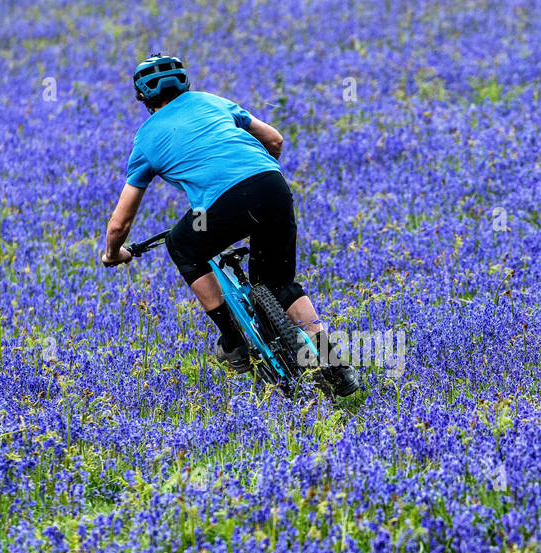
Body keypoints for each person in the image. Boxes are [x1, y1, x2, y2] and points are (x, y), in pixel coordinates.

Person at [102, 54, 359, 397]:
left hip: (220, 205)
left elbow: (121, 222)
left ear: (142, 97)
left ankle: (234, 342)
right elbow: (275, 140)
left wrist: (113, 253)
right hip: (271, 185)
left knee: (182, 245)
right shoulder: (213, 102)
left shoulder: (145, 139)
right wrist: (254, 182)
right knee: (280, 283)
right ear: (185, 83)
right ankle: (331, 360)